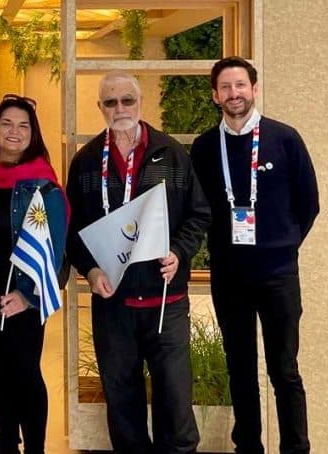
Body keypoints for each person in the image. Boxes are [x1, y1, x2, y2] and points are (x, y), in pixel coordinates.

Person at [66, 71, 210, 454]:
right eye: (110, 102)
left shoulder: (172, 153)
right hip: (113, 306)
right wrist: (90, 269)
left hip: (166, 304)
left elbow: (198, 214)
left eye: (127, 100)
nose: (120, 109)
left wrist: (179, 252)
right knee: (123, 408)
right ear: (100, 107)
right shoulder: (85, 162)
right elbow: (72, 230)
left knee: (176, 407)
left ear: (140, 102)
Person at [190, 57, 318, 454]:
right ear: (215, 96)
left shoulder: (285, 138)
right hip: (229, 277)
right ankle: (248, 447)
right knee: (240, 370)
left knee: (285, 370)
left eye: (240, 85)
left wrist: (282, 245)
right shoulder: (205, 148)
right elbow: (197, 209)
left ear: (254, 89)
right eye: (225, 87)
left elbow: (309, 203)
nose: (234, 94)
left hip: (278, 275)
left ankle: (295, 448)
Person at [0, 94, 68, 454]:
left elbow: (55, 252)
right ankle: (6, 442)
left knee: (25, 373)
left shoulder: (42, 185)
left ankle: (35, 448)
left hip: (21, 295)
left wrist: (27, 296)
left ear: (32, 134)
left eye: (23, 125)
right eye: (7, 123)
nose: (14, 131)